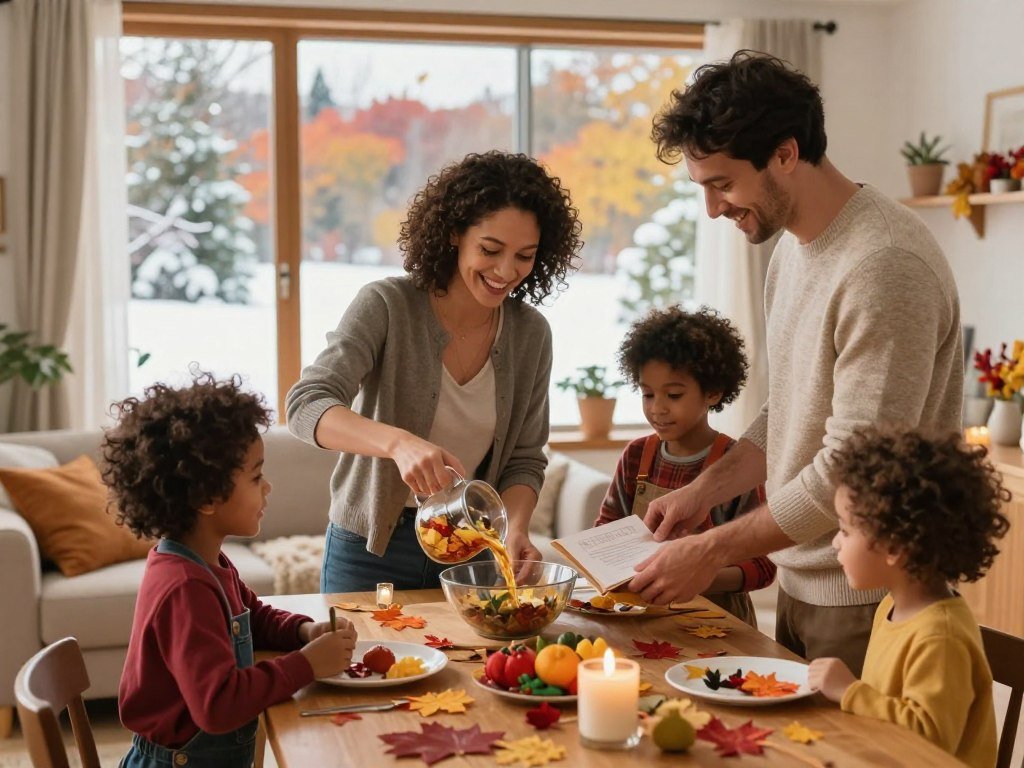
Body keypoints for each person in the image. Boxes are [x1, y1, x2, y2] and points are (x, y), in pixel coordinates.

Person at [627, 50, 963, 675]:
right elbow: (795, 410)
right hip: (801, 582)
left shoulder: (884, 265)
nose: (713, 209)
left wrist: (709, 549)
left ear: (784, 153)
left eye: (722, 184)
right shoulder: (791, 252)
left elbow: (847, 467)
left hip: (875, 595)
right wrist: (704, 492)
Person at [286, 150, 583, 593]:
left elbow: (524, 458)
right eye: (490, 249)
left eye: (525, 255)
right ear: (452, 234)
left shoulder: (530, 335)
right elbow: (306, 405)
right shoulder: (388, 305)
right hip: (370, 550)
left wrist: (516, 528)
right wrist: (398, 444)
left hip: (476, 547)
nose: (506, 271)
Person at [105, 374, 357, 768]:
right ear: (207, 496)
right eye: (256, 476)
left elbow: (252, 616)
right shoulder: (185, 588)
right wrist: (306, 665)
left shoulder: (206, 561)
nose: (268, 487)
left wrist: (304, 632)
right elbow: (219, 704)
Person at [808, 427, 1006, 768]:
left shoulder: (940, 637)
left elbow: (930, 740)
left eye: (845, 530)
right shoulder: (892, 606)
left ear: (895, 546)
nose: (836, 543)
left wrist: (851, 691)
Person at [596, 306, 774, 626]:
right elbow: (605, 534)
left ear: (713, 392)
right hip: (644, 618)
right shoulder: (636, 456)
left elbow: (762, 569)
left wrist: (699, 574)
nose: (657, 409)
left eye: (674, 395)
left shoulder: (736, 465)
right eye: (647, 394)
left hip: (719, 625)